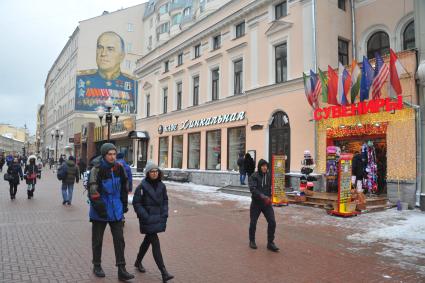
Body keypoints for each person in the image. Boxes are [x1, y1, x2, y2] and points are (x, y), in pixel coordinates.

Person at [87, 143, 134, 281]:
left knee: (119, 240)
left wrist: (124, 205)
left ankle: (121, 269)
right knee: (97, 240)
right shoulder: (97, 170)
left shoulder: (120, 168)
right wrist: (101, 210)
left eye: (114, 154)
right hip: (100, 211)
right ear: (104, 155)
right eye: (110, 154)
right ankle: (97, 265)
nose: (113, 157)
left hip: (116, 210)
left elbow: (124, 188)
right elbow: (93, 192)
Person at [76, 31, 136, 114]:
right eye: (100, 48)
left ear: (122, 56)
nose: (103, 53)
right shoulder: (82, 79)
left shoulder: (133, 84)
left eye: (110, 49)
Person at [133, 163, 174, 282]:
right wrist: (145, 216)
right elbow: (137, 203)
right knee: (155, 242)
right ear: (147, 173)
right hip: (147, 219)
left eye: (156, 171)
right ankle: (163, 272)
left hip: (158, 218)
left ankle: (138, 261)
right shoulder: (141, 187)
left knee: (147, 241)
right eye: (152, 171)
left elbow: (165, 201)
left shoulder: (162, 186)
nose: (154, 173)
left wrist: (164, 214)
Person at [248, 159, 279, 252]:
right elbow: (253, 189)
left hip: (266, 204)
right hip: (256, 204)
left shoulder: (269, 176)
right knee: (253, 223)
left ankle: (270, 243)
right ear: (259, 166)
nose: (265, 167)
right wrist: (263, 196)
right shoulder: (254, 176)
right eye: (263, 166)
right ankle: (252, 241)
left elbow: (271, 188)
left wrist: (272, 196)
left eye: (266, 166)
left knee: (272, 222)